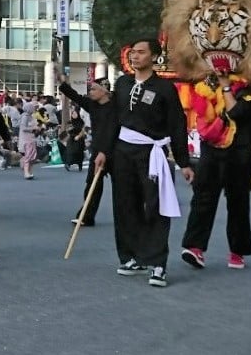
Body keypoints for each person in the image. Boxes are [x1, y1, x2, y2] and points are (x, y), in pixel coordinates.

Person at [94, 38, 195, 288]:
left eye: (141, 52)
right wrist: (103, 151)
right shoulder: (123, 83)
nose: (135, 57)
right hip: (122, 152)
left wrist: (184, 161)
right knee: (125, 206)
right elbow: (113, 120)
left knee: (156, 207)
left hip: (153, 152)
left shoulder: (164, 88)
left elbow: (177, 125)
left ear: (154, 57)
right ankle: (132, 257)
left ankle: (158, 263)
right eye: (133, 53)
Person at [181, 66, 251, 271]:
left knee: (238, 203)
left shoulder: (249, 87)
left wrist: (226, 87)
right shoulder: (205, 86)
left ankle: (237, 252)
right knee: (202, 198)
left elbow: (237, 112)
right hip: (211, 150)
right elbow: (201, 119)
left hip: (238, 151)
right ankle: (195, 248)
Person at [58, 72, 118, 227]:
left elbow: (112, 131)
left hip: (115, 151)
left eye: (94, 89)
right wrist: (63, 83)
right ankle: (86, 216)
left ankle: (128, 216)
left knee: (122, 186)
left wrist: (105, 151)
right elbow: (75, 96)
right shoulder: (92, 105)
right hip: (97, 151)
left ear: (105, 91)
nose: (90, 92)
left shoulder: (116, 107)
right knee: (92, 184)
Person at [17, 96, 39, 179]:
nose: (35, 109)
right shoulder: (25, 116)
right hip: (26, 140)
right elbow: (23, 128)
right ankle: (26, 172)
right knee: (29, 156)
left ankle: (29, 171)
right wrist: (33, 129)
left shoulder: (30, 116)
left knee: (32, 156)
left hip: (31, 138)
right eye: (34, 107)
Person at [62, 107, 86, 171]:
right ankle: (68, 164)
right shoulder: (70, 122)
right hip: (71, 139)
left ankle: (80, 165)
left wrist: (79, 136)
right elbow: (66, 131)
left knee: (78, 152)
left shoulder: (81, 122)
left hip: (79, 139)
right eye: (72, 114)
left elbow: (83, 130)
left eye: (75, 113)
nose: (74, 115)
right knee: (70, 151)